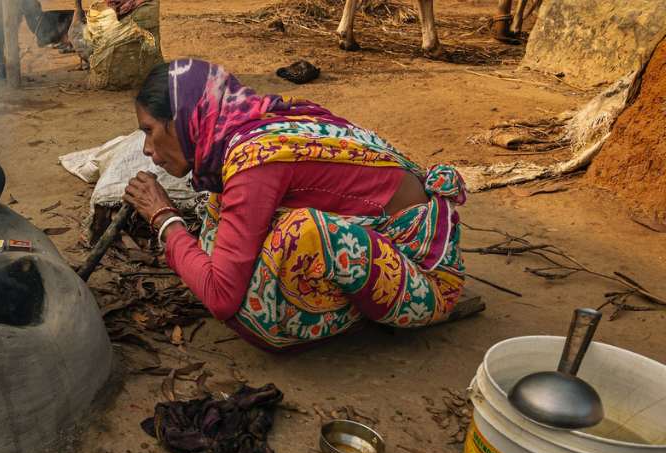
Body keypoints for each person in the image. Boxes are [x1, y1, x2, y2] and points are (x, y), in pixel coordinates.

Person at [123, 59, 467, 351]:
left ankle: (331, 315)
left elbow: (220, 296)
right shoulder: (251, 128)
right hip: (388, 245)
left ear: (184, 118)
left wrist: (165, 220)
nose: (147, 149)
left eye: (150, 131)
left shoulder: (254, 157)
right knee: (220, 205)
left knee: (298, 239)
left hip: (426, 277)